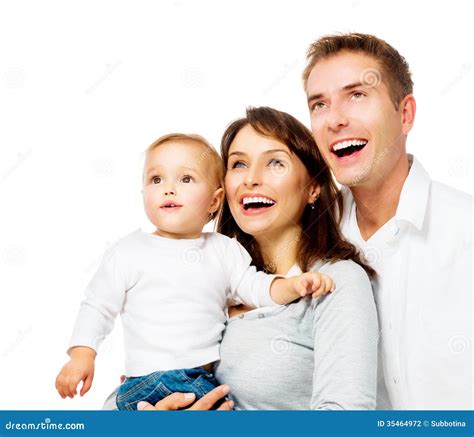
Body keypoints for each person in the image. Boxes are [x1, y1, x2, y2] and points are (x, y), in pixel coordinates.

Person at [55, 133, 336, 410]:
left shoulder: (223, 250)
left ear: (215, 202)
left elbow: (256, 288)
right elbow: (97, 306)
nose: (168, 188)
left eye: (185, 179)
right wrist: (82, 355)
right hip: (146, 382)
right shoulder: (128, 251)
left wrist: (294, 285)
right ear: (142, 194)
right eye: (156, 179)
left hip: (192, 380)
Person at [133, 106, 379, 411]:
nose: (251, 179)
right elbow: (129, 392)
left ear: (313, 188)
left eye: (275, 162)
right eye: (238, 164)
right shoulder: (209, 276)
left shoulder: (335, 282)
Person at [303, 32, 472, 409]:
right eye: (319, 104)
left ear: (405, 114)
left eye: (357, 95)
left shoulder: (466, 231)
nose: (335, 119)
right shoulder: (304, 241)